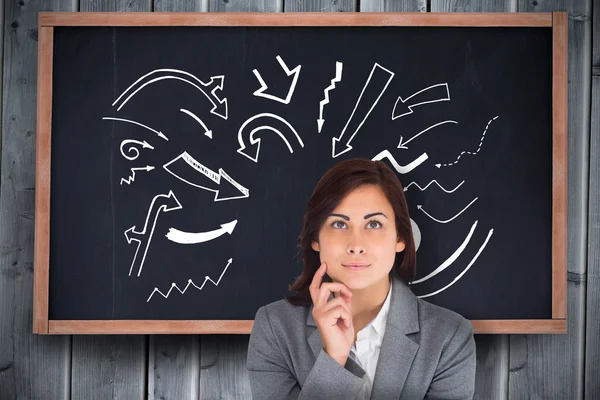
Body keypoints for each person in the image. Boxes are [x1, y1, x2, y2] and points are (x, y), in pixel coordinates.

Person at [247, 158, 476, 400]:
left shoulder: (448, 337)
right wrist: (333, 359)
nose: (356, 245)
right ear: (315, 238)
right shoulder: (275, 329)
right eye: (339, 224)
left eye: (374, 224)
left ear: (401, 238)